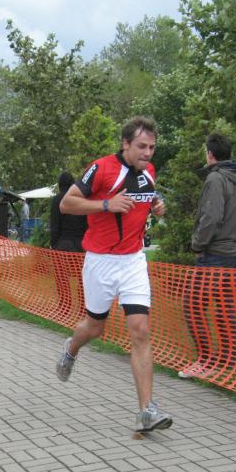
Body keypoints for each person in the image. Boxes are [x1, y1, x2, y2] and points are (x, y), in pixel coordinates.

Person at [56, 116, 171, 433]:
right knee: (95, 327)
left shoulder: (149, 171)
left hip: (133, 261)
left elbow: (148, 196)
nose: (147, 153)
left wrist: (157, 206)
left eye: (152, 147)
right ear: (125, 144)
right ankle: (71, 348)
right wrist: (106, 204)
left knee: (140, 330)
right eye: (142, 146)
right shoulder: (102, 168)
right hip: (101, 261)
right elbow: (67, 204)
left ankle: (146, 411)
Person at [180, 133, 236, 379]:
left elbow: (211, 216)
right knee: (224, 306)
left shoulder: (215, 178)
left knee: (193, 305)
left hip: (216, 253)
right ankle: (228, 360)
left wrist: (198, 243)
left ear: (210, 154)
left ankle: (206, 360)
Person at [50, 171, 88, 319]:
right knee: (82, 279)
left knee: (62, 278)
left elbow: (54, 225)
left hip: (63, 244)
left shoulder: (57, 200)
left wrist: (53, 244)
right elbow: (87, 223)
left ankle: (64, 308)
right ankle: (83, 309)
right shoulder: (81, 199)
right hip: (81, 244)